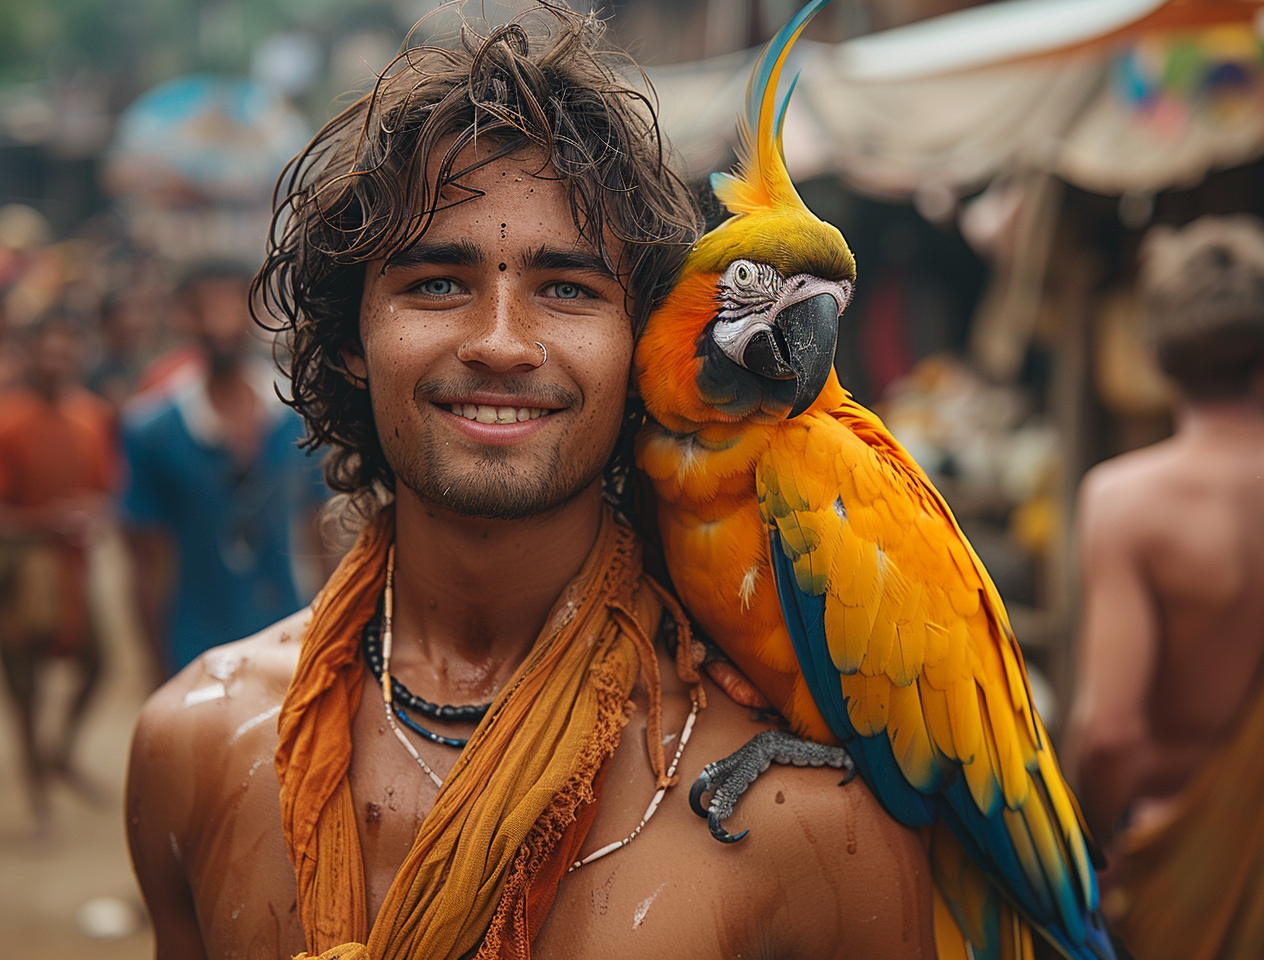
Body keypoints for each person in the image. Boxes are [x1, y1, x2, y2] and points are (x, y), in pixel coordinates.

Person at [125, 10, 935, 959]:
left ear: (641, 341)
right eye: (435, 283)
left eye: (568, 289)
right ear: (350, 340)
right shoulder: (197, 748)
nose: (501, 343)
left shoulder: (800, 819)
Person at [1065, 215, 1264, 959]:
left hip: (1175, 853)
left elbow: (1111, 731)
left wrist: (1087, 838)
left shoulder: (1127, 503)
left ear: (1157, 354)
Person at [121, 261, 328, 678]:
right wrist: (159, 668)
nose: (220, 324)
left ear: (257, 310)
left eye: (232, 307)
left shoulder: (297, 418)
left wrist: (331, 638)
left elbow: (323, 534)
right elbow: (145, 561)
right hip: (195, 647)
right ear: (181, 316)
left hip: (290, 639)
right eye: (204, 310)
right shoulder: (152, 430)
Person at [0, 314, 116, 830]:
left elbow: (107, 491)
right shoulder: (8, 420)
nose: (56, 360)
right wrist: (41, 521)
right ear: (28, 355)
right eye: (46, 350)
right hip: (19, 573)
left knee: (98, 663)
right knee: (24, 684)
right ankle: (37, 794)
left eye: (65, 350)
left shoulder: (92, 417)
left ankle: (59, 753)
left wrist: (92, 514)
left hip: (71, 569)